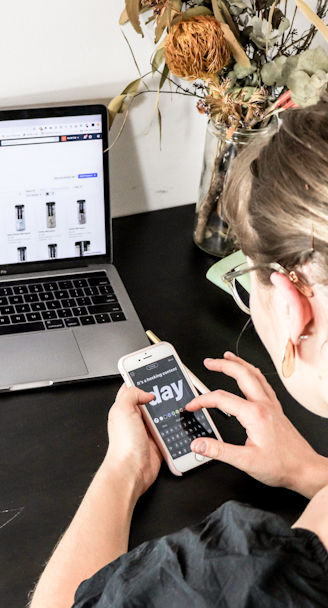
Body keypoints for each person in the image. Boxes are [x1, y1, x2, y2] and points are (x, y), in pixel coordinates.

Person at [30, 98, 328, 608]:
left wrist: (123, 469)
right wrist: (310, 471)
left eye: (244, 276)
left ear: (289, 304)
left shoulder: (224, 580)